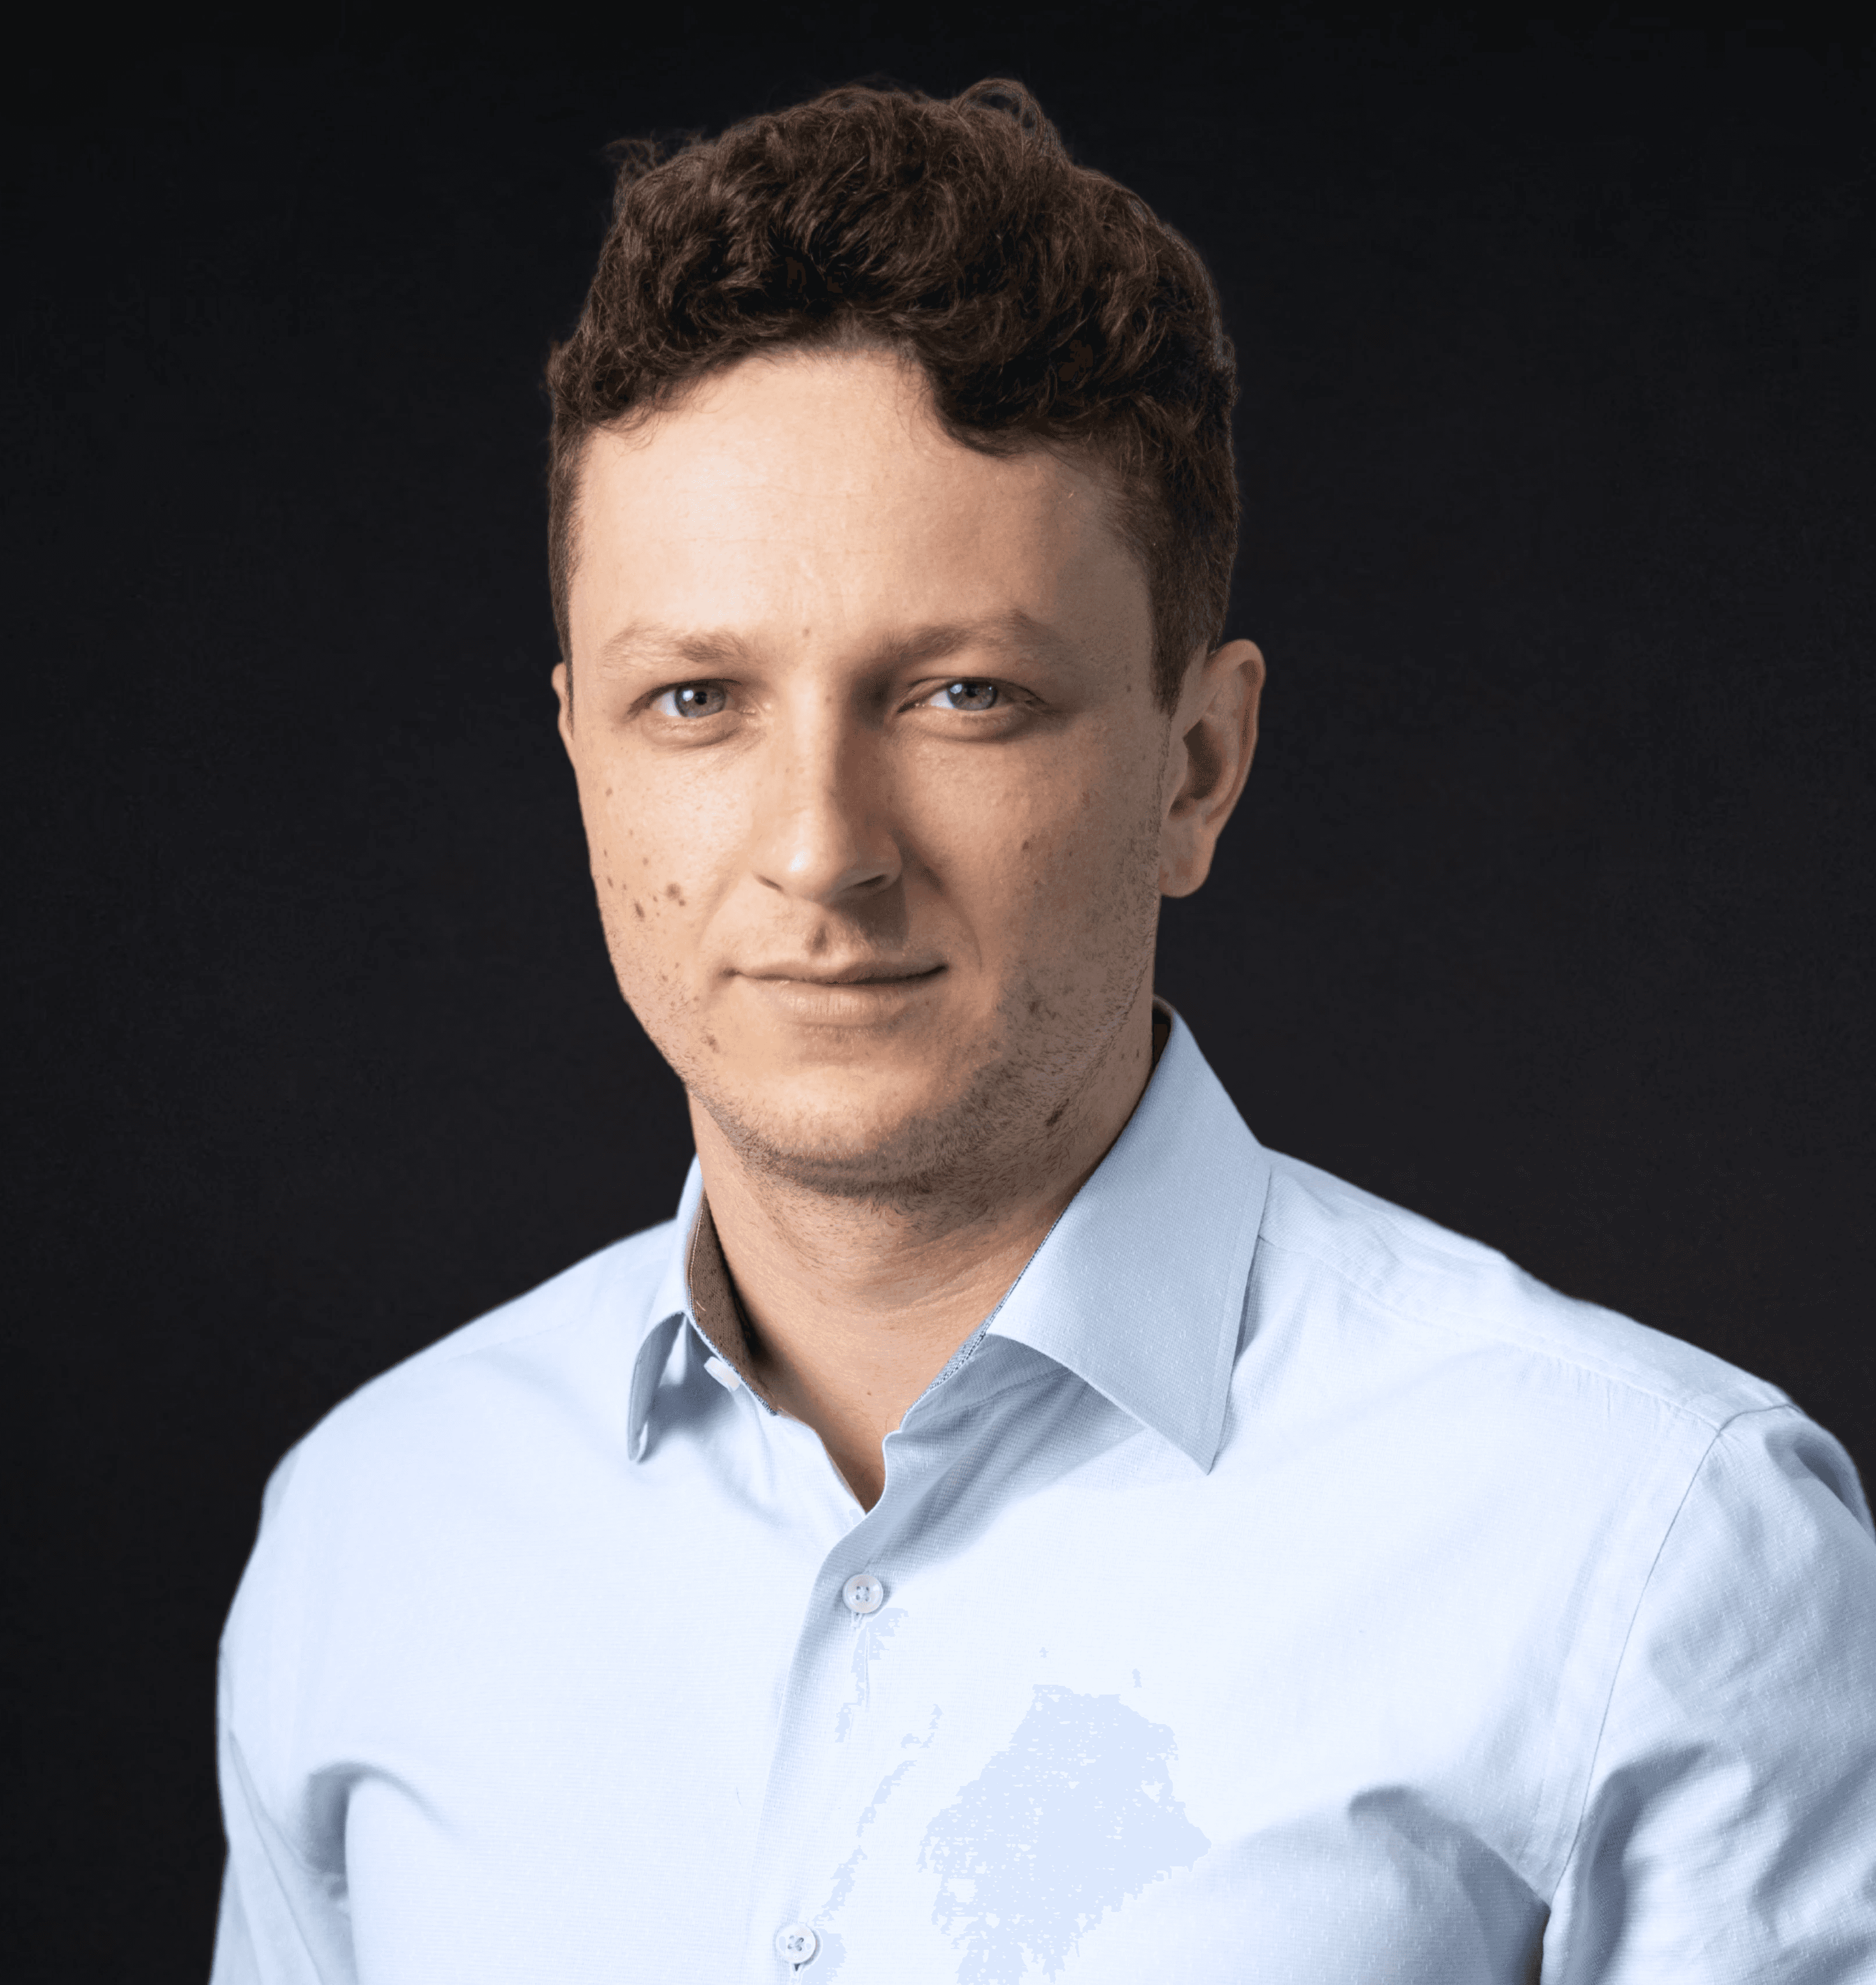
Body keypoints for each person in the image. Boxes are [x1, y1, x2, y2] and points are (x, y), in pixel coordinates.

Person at [209, 79, 1876, 1984]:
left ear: (1201, 762)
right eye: (697, 700)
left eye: (964, 693)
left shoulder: (1652, 1549)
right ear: (580, 745)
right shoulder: (374, 1531)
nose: (823, 850)